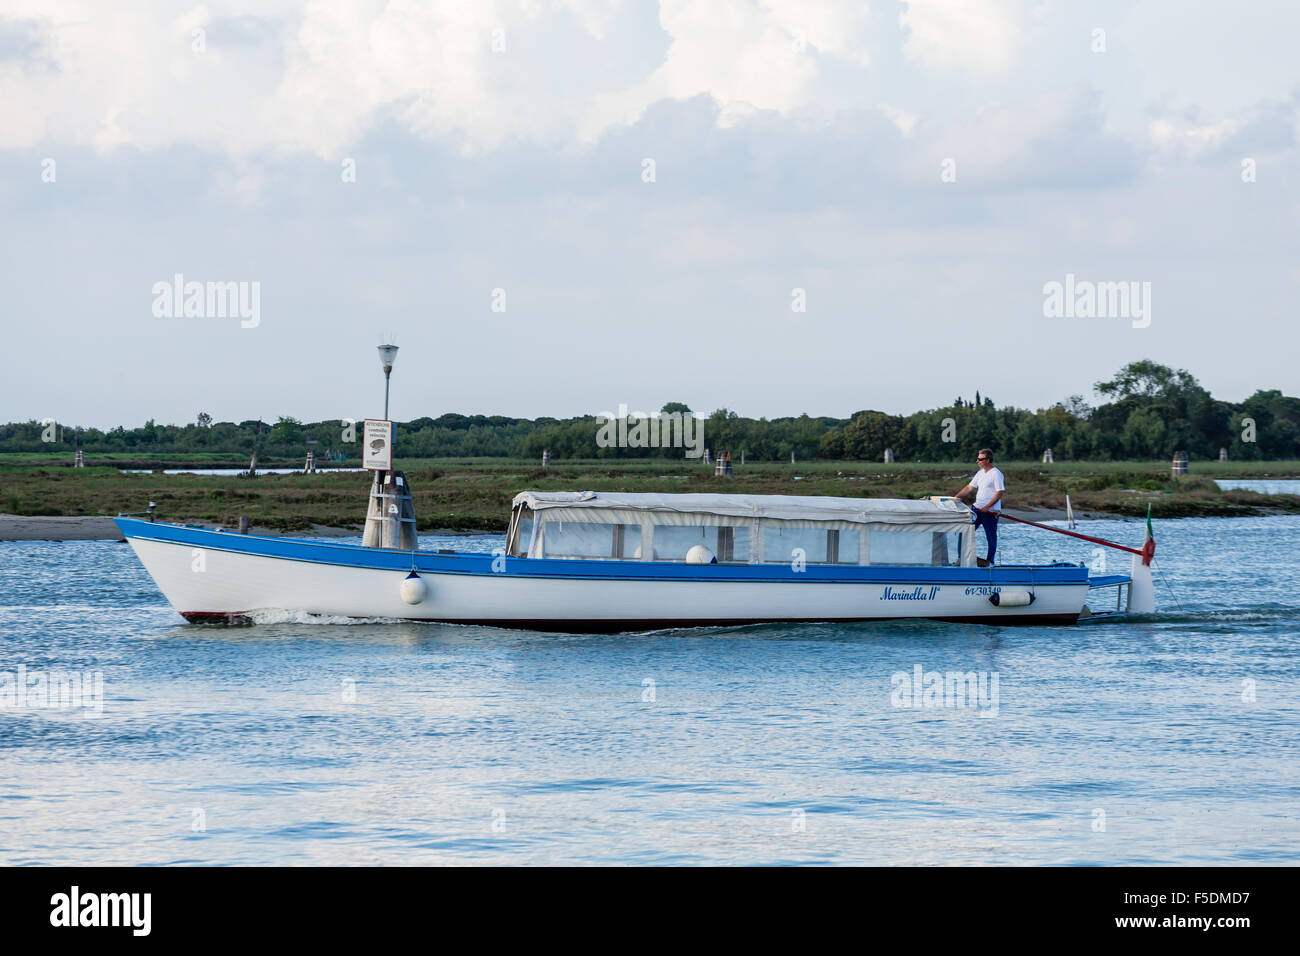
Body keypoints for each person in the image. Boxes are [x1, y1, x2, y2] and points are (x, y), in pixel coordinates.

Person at [953, 448, 1005, 566]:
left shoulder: (996, 473)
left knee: (990, 536)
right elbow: (969, 488)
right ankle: (961, 558)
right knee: (965, 531)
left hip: (990, 512)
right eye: (977, 458)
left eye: (980, 459)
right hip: (976, 510)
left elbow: (1000, 492)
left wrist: (988, 506)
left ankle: (990, 561)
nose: (977, 461)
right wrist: (955, 498)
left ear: (987, 460)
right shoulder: (980, 473)